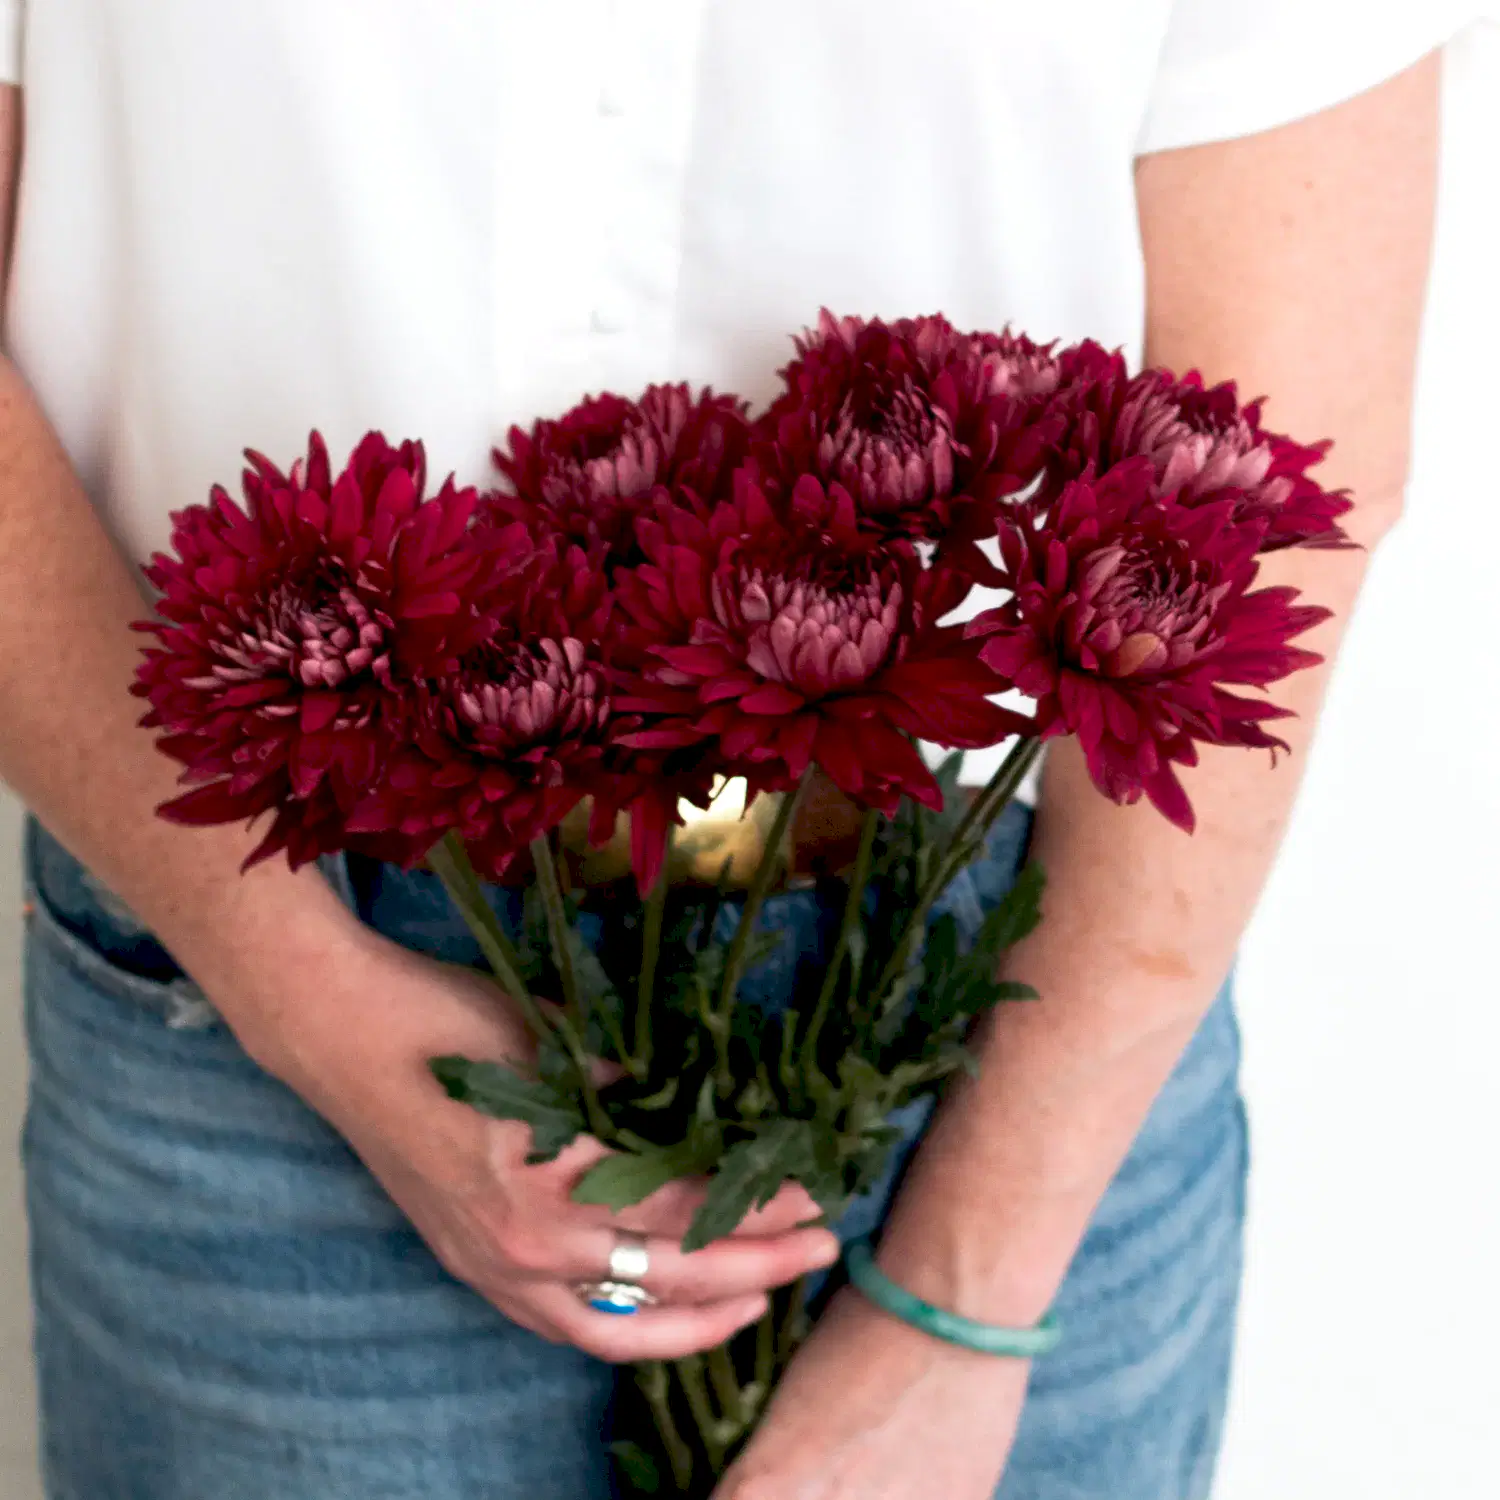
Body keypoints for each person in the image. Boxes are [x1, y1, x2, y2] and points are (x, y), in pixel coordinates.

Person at [0, 3, 1464, 1497]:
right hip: (255, 978)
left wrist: (962, 1293)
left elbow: (1296, 459)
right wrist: (299, 993)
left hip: (1014, 1021)